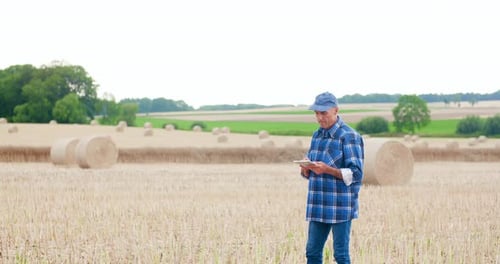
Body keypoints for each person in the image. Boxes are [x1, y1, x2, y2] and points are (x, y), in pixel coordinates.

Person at [299, 91, 365, 264]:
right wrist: (306, 168)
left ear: (335, 110)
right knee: (312, 253)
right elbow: (313, 170)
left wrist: (328, 170)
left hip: (340, 206)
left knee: (340, 256)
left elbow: (357, 174)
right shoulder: (317, 135)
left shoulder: (349, 136)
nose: (320, 118)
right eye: (316, 113)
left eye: (324, 113)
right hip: (317, 203)